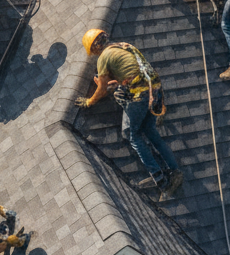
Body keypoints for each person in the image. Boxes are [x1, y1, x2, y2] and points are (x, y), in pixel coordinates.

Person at [77, 29, 182, 200]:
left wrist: (89, 101)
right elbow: (128, 75)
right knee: (149, 130)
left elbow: (102, 89)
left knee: (131, 134)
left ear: (96, 48)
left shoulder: (104, 58)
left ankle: (161, 181)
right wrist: (113, 83)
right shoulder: (124, 46)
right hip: (154, 90)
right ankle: (175, 171)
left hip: (140, 95)